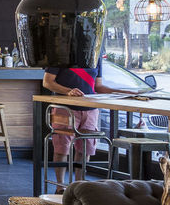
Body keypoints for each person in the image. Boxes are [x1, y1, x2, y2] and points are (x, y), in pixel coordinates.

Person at [42, 57, 135, 188]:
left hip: (90, 110)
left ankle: (79, 186)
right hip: (65, 108)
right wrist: (68, 91)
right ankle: (60, 187)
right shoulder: (63, 53)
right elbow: (47, 82)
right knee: (62, 148)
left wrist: (123, 92)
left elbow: (98, 86)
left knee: (85, 149)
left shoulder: (95, 57)